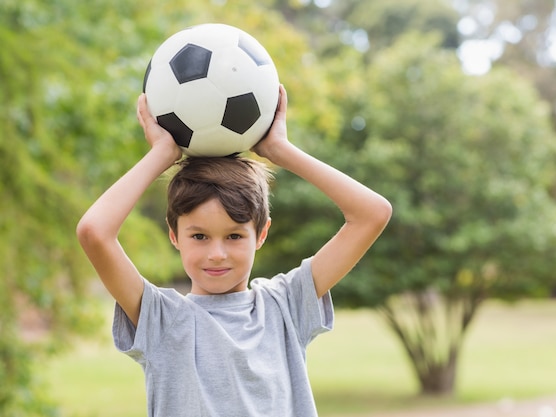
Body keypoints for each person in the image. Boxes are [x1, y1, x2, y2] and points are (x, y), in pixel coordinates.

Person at [76, 84, 392, 417]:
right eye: (199, 236)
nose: (217, 254)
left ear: (261, 233)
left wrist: (279, 150)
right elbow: (94, 232)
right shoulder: (162, 319)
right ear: (174, 235)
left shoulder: (285, 306)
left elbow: (372, 214)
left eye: (234, 236)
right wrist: (161, 155)